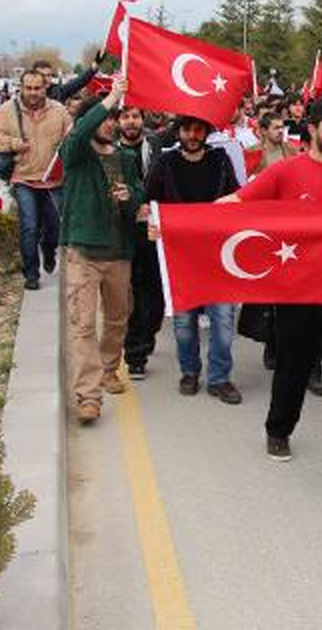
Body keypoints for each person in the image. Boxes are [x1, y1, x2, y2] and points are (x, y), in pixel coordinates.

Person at [221, 95, 322, 504]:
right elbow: (235, 205)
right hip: (297, 292)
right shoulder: (285, 172)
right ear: (312, 129)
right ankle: (278, 430)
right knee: (293, 366)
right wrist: (171, 223)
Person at [60, 80, 143, 426]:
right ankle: (88, 396)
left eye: (115, 117)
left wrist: (131, 199)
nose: (111, 123)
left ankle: (109, 368)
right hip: (83, 251)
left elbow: (139, 193)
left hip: (119, 251)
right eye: (106, 117)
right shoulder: (77, 154)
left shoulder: (126, 158)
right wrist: (110, 96)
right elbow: (77, 134)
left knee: (117, 318)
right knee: (82, 324)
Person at [147, 115, 242, 403]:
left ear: (206, 132)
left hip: (218, 253)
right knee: (184, 322)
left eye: (198, 129)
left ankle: (220, 378)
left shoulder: (221, 160)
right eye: (187, 129)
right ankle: (189, 372)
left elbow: (237, 199)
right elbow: (149, 202)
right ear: (178, 132)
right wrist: (152, 223)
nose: (192, 134)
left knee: (223, 320)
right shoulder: (164, 163)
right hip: (179, 254)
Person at [0, 69, 72, 290]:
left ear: (46, 87)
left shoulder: (59, 111)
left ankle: (48, 249)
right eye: (29, 88)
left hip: (53, 181)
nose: (33, 92)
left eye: (38, 88)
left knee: (54, 227)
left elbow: (73, 138)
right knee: (29, 226)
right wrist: (15, 143)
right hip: (23, 178)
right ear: (21, 87)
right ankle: (31, 274)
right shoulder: (8, 110)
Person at [118, 105, 165, 381]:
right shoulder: (110, 151)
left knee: (155, 293)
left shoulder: (157, 147)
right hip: (122, 231)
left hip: (154, 229)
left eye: (135, 116)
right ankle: (135, 354)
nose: (131, 121)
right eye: (125, 117)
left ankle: (148, 334)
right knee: (131, 292)